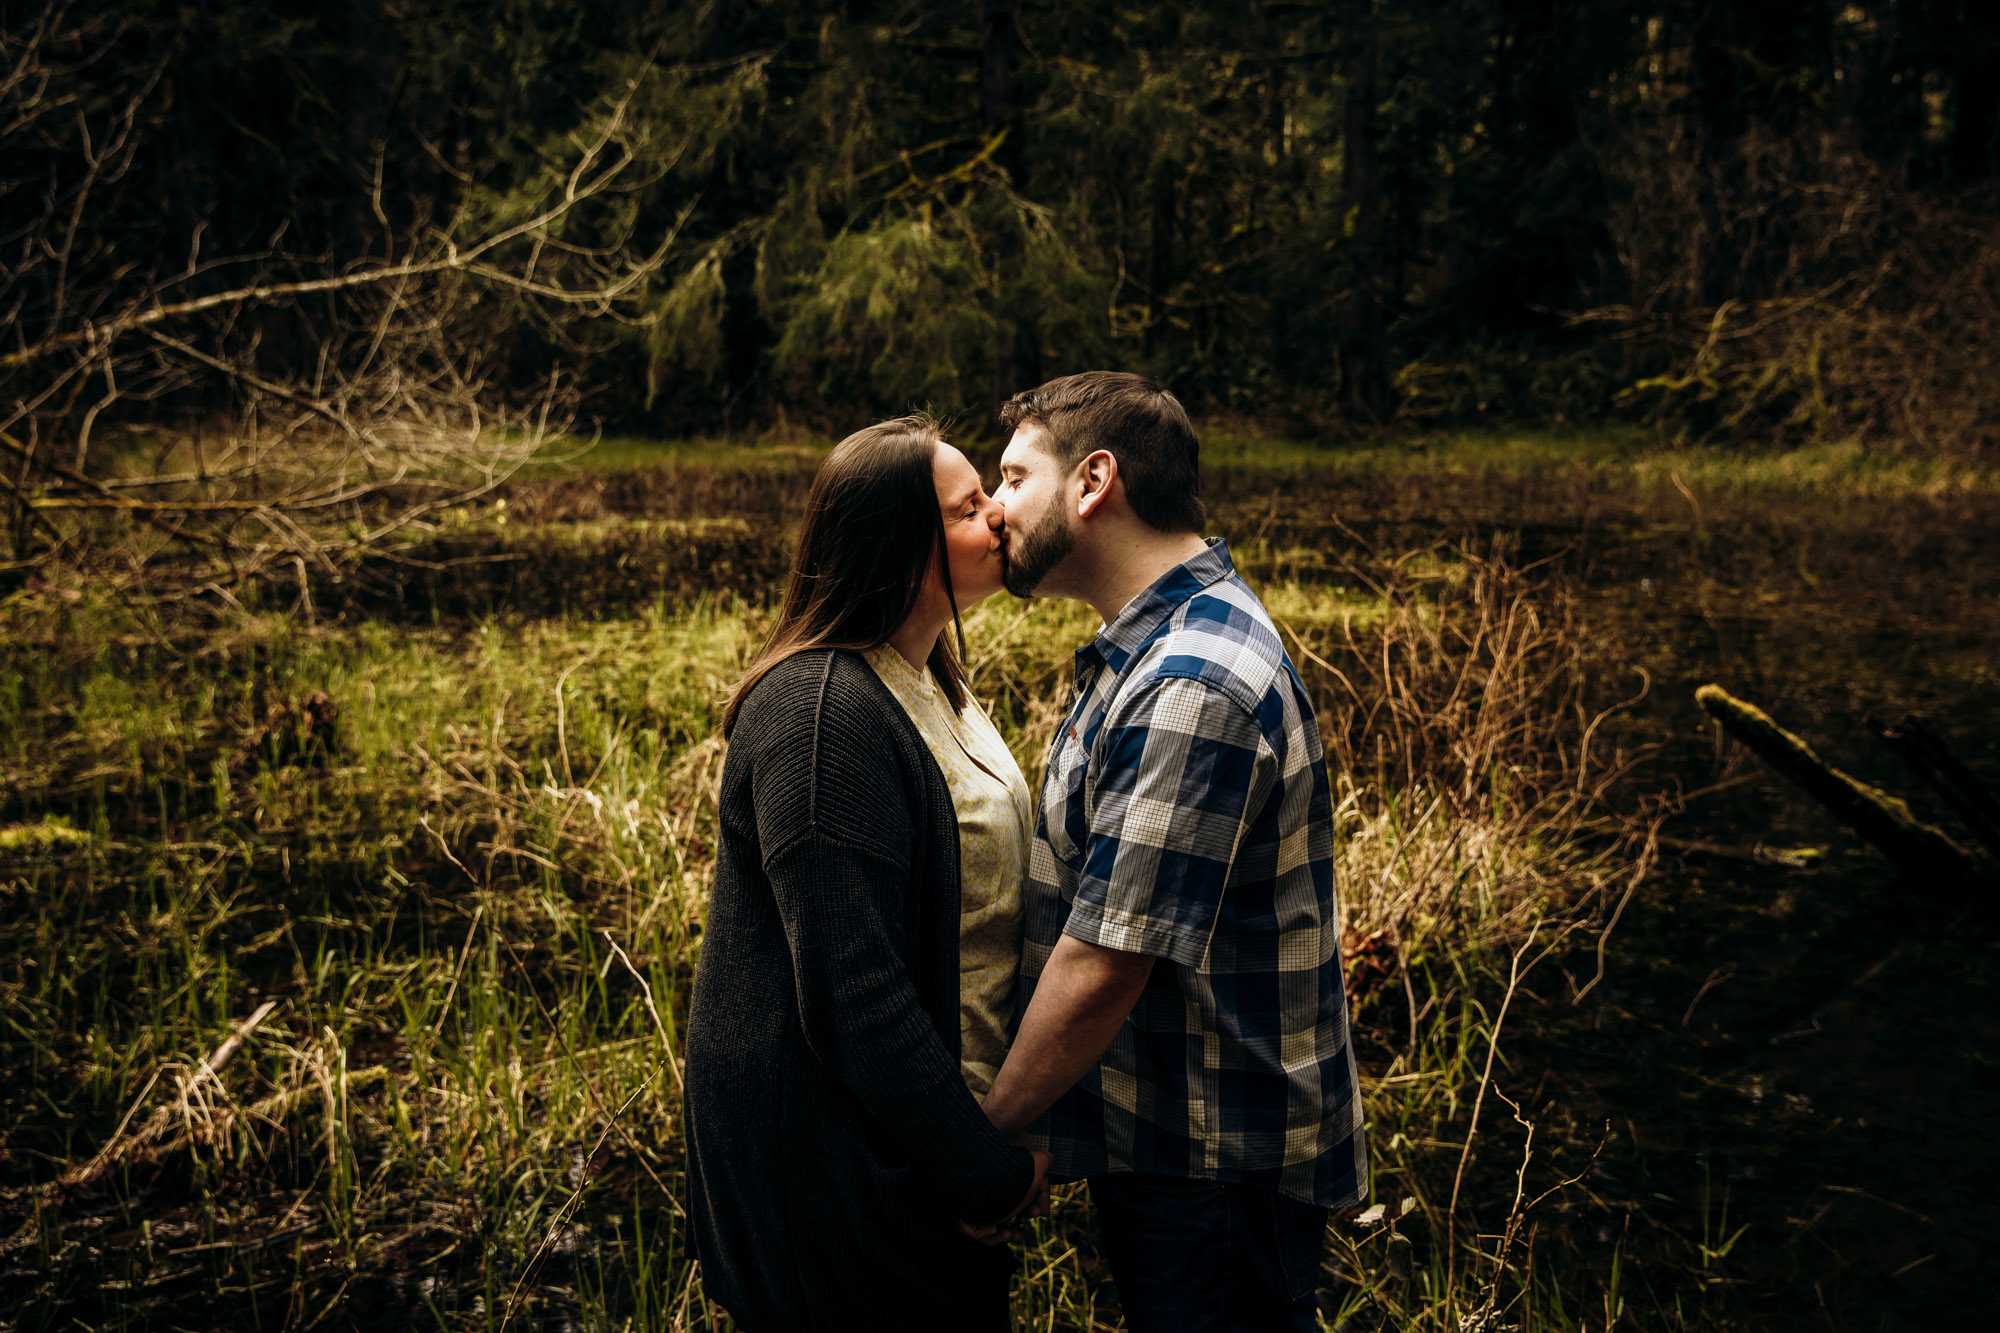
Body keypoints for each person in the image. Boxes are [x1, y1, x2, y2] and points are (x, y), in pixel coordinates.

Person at [979, 372, 1369, 1332]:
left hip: (1218, 1174)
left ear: (1093, 481)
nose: (994, 508)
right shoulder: (1147, 647)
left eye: (1013, 476)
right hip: (1183, 1153)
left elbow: (1105, 958)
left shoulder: (1194, 680)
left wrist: (982, 1141)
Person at [683, 415, 1053, 1332]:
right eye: (972, 508)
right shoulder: (820, 716)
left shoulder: (924, 675)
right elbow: (855, 992)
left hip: (921, 1157)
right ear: (904, 543)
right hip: (843, 1191)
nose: (1001, 517)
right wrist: (984, 1169)